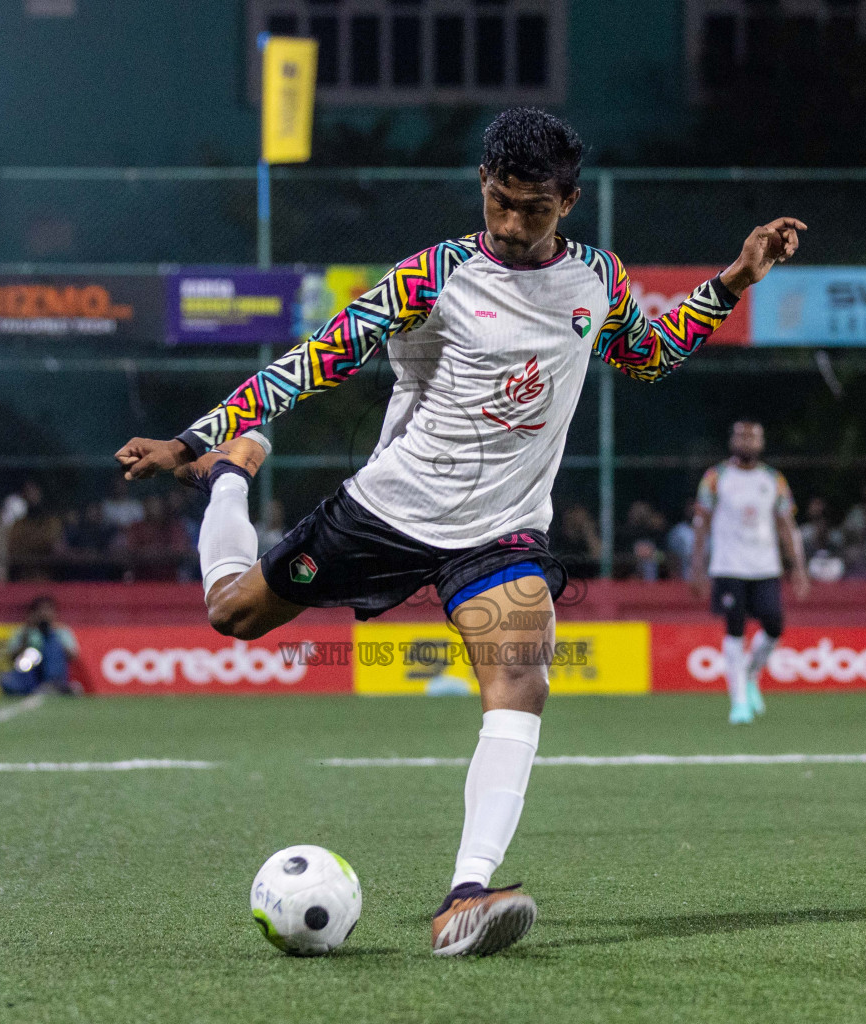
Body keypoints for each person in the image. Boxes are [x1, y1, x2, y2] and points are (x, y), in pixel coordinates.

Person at [117, 108, 804, 956]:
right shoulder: (430, 276)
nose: (514, 227)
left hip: (505, 530)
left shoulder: (598, 279)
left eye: (535, 210)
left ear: (570, 202)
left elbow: (648, 355)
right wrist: (196, 440)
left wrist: (734, 277)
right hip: (391, 509)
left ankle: (466, 894)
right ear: (483, 187)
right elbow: (313, 361)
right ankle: (232, 471)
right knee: (233, 612)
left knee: (522, 679)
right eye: (502, 204)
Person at [691, 420, 810, 725]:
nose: (747, 441)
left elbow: (787, 525)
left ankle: (751, 672)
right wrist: (697, 566)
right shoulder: (716, 477)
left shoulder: (773, 479)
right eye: (741, 436)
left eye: (753, 437)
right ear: (732, 440)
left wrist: (797, 567)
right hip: (729, 566)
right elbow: (701, 523)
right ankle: (739, 703)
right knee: (734, 629)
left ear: (761, 443)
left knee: (774, 625)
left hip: (765, 566)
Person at [0, 595, 81, 695]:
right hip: (30, 673)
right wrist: (26, 636)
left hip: (53, 673)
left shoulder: (61, 631)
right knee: (8, 679)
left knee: (53, 646)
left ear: (54, 613)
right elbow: (12, 657)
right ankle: (30, 687)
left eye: (48, 610)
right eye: (40, 610)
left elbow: (73, 656)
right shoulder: (23, 631)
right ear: (33, 613)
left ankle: (54, 685)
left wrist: (51, 635)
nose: (44, 614)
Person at [664, 498, 698, 581]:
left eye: (695, 506)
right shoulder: (678, 531)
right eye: (690, 507)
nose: (692, 510)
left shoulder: (711, 531)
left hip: (708, 578)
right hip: (683, 577)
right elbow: (672, 556)